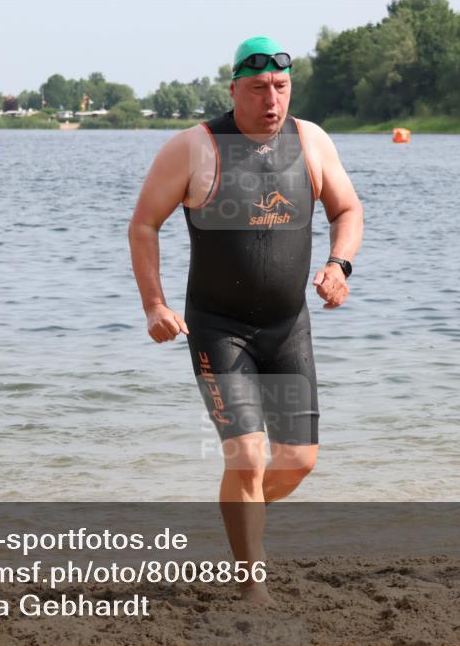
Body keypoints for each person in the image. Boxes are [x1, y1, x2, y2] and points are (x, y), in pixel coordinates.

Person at [128, 36, 363, 604]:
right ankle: (252, 585)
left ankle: (238, 509)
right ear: (233, 89)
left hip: (288, 327)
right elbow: (144, 225)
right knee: (248, 456)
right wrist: (155, 305)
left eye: (281, 87)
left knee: (298, 461)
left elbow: (347, 209)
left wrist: (339, 264)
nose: (271, 99)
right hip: (218, 328)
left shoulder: (312, 141)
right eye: (258, 88)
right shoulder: (194, 147)